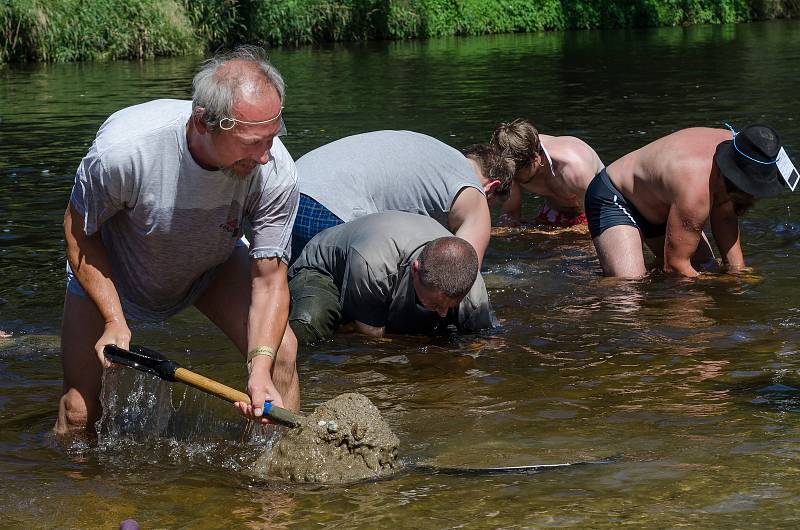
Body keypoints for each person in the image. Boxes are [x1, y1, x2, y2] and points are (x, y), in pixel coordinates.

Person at [56, 46, 300, 438]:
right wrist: (114, 319)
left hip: (211, 266)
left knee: (281, 352)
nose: (265, 156)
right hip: (116, 271)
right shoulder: (124, 153)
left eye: (272, 137)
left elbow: (270, 279)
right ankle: (84, 496)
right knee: (79, 413)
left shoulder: (275, 171)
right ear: (203, 123)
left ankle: (278, 486)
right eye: (252, 142)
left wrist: (259, 368)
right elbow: (78, 231)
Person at [585, 124, 792, 278]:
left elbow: (725, 214)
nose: (755, 197)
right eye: (751, 191)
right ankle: (583, 304)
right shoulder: (696, 189)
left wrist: (738, 274)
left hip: (664, 203)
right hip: (616, 197)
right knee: (628, 290)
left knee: (705, 265)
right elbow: (676, 266)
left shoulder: (741, 149)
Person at [291, 130, 511, 265]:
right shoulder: (473, 191)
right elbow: (464, 273)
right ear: (492, 188)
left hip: (287, 190)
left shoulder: (434, 151)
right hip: (333, 209)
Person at [287, 211, 494, 344]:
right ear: (415, 270)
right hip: (326, 270)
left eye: (450, 305)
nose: (443, 313)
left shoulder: (473, 288)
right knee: (308, 323)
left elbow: (483, 342)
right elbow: (372, 340)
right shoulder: (373, 263)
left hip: (383, 280)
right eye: (436, 304)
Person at [490, 118, 604, 227]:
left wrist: (560, 234)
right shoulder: (512, 162)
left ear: (535, 158)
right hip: (553, 211)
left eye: (517, 174)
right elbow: (510, 214)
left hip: (597, 211)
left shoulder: (574, 169)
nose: (513, 179)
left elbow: (601, 219)